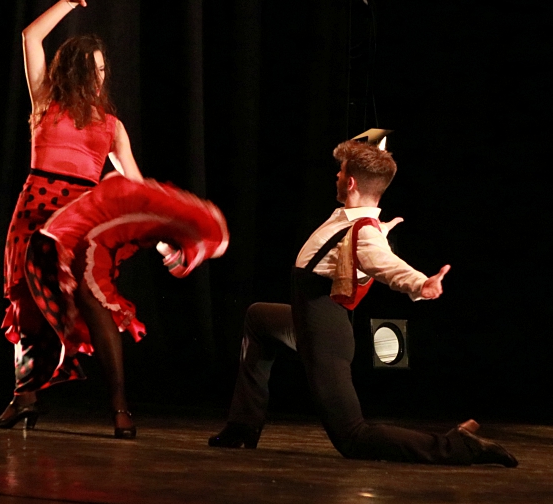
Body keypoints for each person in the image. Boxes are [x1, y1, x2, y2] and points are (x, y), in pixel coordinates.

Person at [0, 0, 228, 438]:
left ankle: (120, 405)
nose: (100, 77)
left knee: (95, 303)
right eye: (93, 70)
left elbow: (136, 189)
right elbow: (30, 36)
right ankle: (24, 400)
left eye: (103, 71)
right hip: (34, 210)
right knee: (28, 303)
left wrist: (162, 238)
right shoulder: (45, 102)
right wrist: (69, 2)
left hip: (78, 221)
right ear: (74, 72)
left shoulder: (112, 126)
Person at [207, 139, 518, 466]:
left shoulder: (364, 231)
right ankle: (242, 427)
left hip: (323, 334)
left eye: (340, 173)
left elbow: (385, 264)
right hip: (306, 321)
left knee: (353, 436)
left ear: (351, 182)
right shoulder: (354, 220)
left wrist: (420, 283)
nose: (336, 177)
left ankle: (458, 446)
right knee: (258, 318)